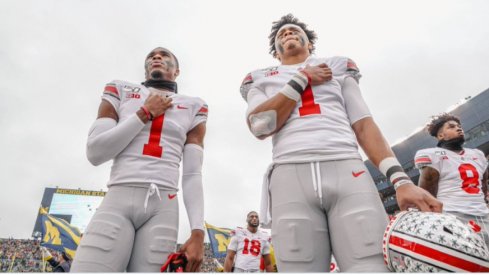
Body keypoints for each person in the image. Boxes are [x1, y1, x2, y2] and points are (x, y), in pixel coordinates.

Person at [239, 14, 442, 272]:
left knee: (371, 266)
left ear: (310, 43)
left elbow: (364, 124)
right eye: (281, 34)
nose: (287, 34)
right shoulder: (260, 77)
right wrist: (302, 79)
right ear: (276, 53)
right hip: (290, 173)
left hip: (347, 167)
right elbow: (260, 125)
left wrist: (400, 180)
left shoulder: (337, 65)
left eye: (293, 30)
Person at [71, 47, 208, 272]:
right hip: (119, 194)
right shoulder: (121, 89)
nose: (157, 57)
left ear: (177, 71)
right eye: (152, 56)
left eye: (164, 55)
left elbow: (193, 173)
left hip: (163, 202)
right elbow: (95, 153)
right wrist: (144, 113)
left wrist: (198, 231)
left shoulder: (194, 105)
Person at [415, 113, 489, 247]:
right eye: (451, 127)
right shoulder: (432, 155)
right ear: (441, 135)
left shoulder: (478, 155)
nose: (459, 128)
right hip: (452, 216)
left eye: (459, 126)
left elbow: (483, 186)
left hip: (483, 214)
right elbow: (426, 194)